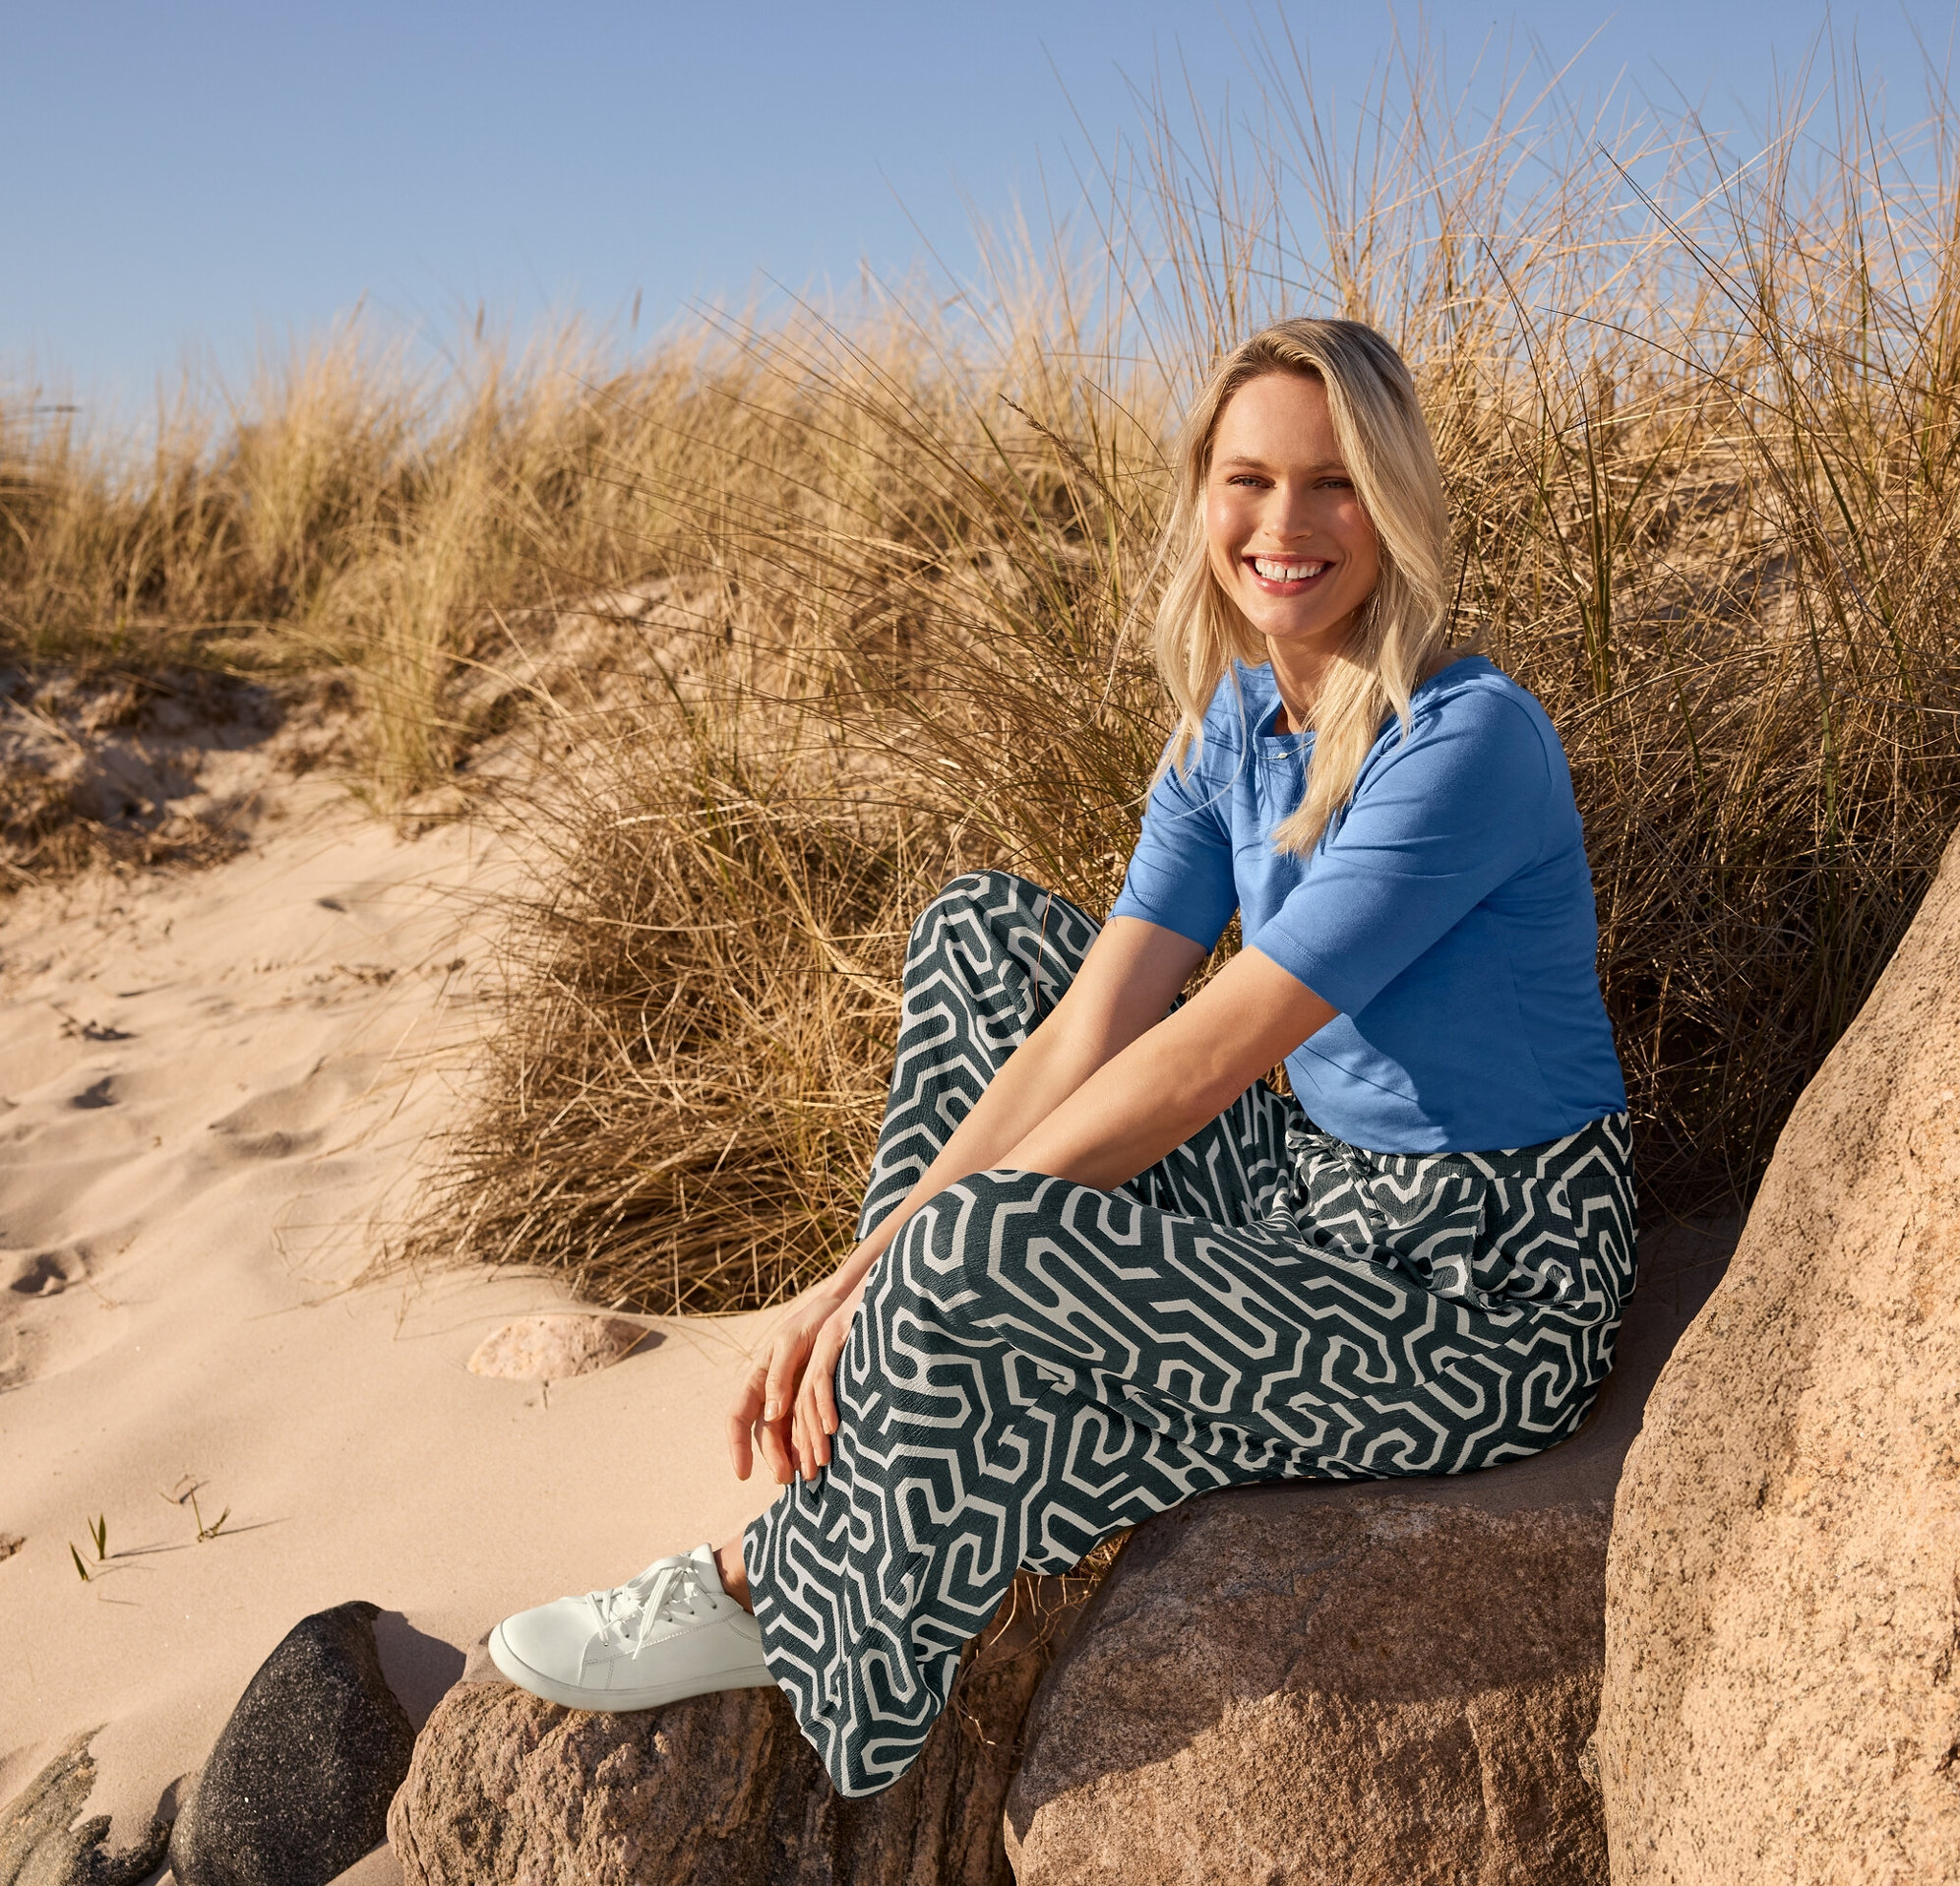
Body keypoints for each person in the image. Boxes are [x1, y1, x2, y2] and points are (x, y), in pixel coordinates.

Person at [489, 317, 1635, 1799]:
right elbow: (1097, 1016)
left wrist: (910, 1259)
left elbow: (1210, 1053)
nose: (1284, 523)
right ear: (1202, 495)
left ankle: (779, 1584)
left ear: (1396, 503)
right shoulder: (1235, 721)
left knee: (974, 1247)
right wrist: (863, 1276)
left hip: (1483, 1296)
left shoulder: (1464, 740)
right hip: (1318, 1195)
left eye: (1334, 482)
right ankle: (889, 1415)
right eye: (1248, 479)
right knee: (984, 935)